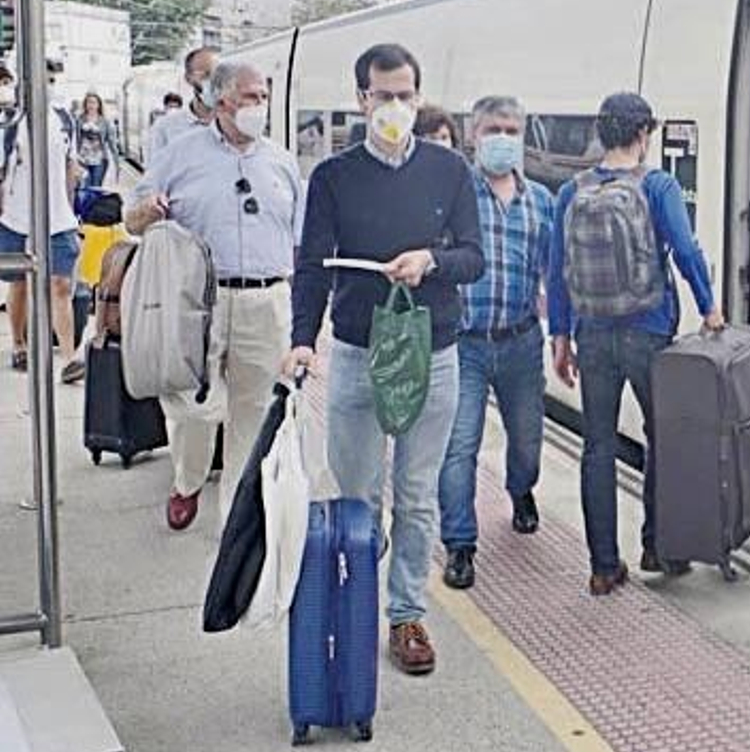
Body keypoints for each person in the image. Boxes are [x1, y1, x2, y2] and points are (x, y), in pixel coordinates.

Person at [285, 43, 484, 676]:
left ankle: (406, 616)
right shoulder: (333, 178)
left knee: (418, 496)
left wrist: (431, 261)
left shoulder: (450, 172)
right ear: (361, 99)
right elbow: (311, 268)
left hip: (435, 350)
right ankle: (357, 607)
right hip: (355, 350)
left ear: (419, 98)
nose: (395, 106)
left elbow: (473, 258)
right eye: (383, 95)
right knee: (359, 497)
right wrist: (301, 339)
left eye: (405, 95)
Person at [546, 91, 726, 596]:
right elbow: (686, 250)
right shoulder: (658, 185)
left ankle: (604, 566)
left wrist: (560, 337)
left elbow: (557, 268)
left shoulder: (570, 191)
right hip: (649, 330)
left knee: (597, 447)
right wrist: (709, 306)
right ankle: (659, 547)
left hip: (593, 333)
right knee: (662, 439)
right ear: (643, 134)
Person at [126, 60, 303, 532]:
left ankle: (236, 517)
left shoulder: (282, 162)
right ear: (221, 100)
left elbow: (301, 237)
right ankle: (187, 480)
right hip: (197, 302)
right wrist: (146, 211)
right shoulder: (180, 154)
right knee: (193, 407)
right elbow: (132, 220)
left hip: (266, 303)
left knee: (255, 411)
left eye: (263, 97)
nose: (259, 106)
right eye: (250, 97)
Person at [438, 95, 553, 590]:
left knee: (527, 441)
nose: (502, 139)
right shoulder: (454, 195)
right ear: (473, 135)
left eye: (511, 130)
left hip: (522, 343)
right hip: (463, 344)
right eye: (492, 130)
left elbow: (554, 272)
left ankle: (520, 488)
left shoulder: (542, 201)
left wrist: (564, 331)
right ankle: (460, 543)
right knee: (458, 447)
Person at [1, 58, 85, 382]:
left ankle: (67, 358)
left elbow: (70, 166)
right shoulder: (9, 120)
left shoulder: (63, 119)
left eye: (50, 77)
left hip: (58, 217)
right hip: (16, 216)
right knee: (19, 284)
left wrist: (72, 210)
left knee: (61, 285)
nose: (47, 83)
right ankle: (19, 342)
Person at [144, 46, 219, 162]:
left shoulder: (236, 125)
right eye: (206, 75)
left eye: (218, 75)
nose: (214, 82)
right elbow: (154, 175)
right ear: (188, 78)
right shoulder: (165, 127)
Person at [74, 92, 118, 191]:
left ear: (99, 105)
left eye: (94, 103)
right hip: (82, 160)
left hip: (99, 161)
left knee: (96, 188)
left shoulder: (105, 121)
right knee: (83, 187)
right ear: (85, 104)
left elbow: (111, 142)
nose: (91, 105)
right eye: (89, 102)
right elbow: (75, 139)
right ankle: (84, 207)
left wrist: (116, 162)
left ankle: (93, 206)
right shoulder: (79, 120)